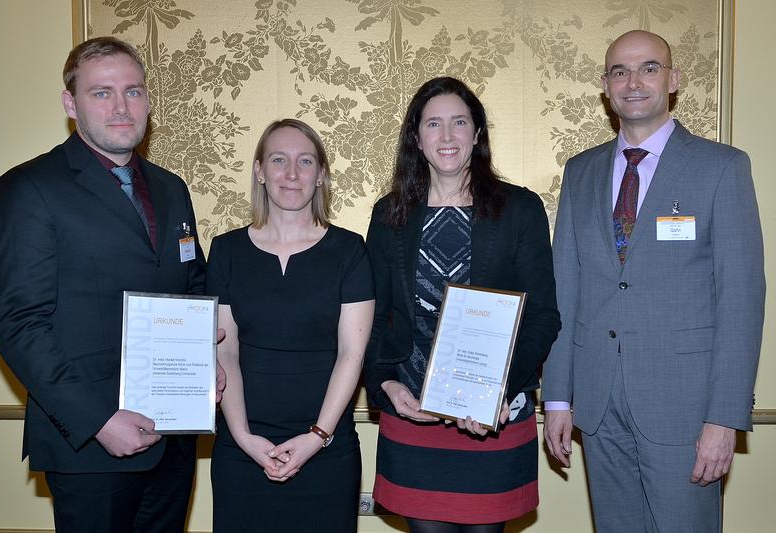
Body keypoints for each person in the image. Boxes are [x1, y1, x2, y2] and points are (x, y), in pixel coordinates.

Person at [0, 37, 215, 532]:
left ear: (149, 100)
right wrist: (99, 420)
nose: (120, 107)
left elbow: (192, 286)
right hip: (90, 445)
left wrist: (205, 359)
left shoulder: (172, 188)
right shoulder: (28, 189)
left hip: (173, 437)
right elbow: (19, 324)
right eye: (101, 93)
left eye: (133, 92)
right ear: (71, 104)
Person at [542, 30, 765, 532]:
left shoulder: (722, 167)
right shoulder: (580, 171)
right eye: (619, 71)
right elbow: (565, 289)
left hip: (685, 410)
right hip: (598, 408)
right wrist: (557, 398)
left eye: (648, 67)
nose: (633, 81)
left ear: (673, 78)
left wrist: (724, 418)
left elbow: (742, 300)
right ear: (605, 86)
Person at [365, 76, 561, 532]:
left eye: (459, 122)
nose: (447, 136)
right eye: (434, 124)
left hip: (490, 416)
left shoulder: (520, 210)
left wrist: (501, 390)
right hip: (411, 414)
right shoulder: (389, 214)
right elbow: (372, 316)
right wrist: (384, 385)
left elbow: (543, 316)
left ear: (477, 134)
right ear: (416, 137)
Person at [207, 118, 374, 533]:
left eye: (305, 161)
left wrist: (317, 437)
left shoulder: (350, 251)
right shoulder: (225, 250)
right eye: (279, 160)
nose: (292, 173)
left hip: (326, 448)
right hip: (240, 449)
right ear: (260, 171)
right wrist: (243, 437)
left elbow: (352, 355)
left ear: (321, 176)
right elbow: (224, 350)